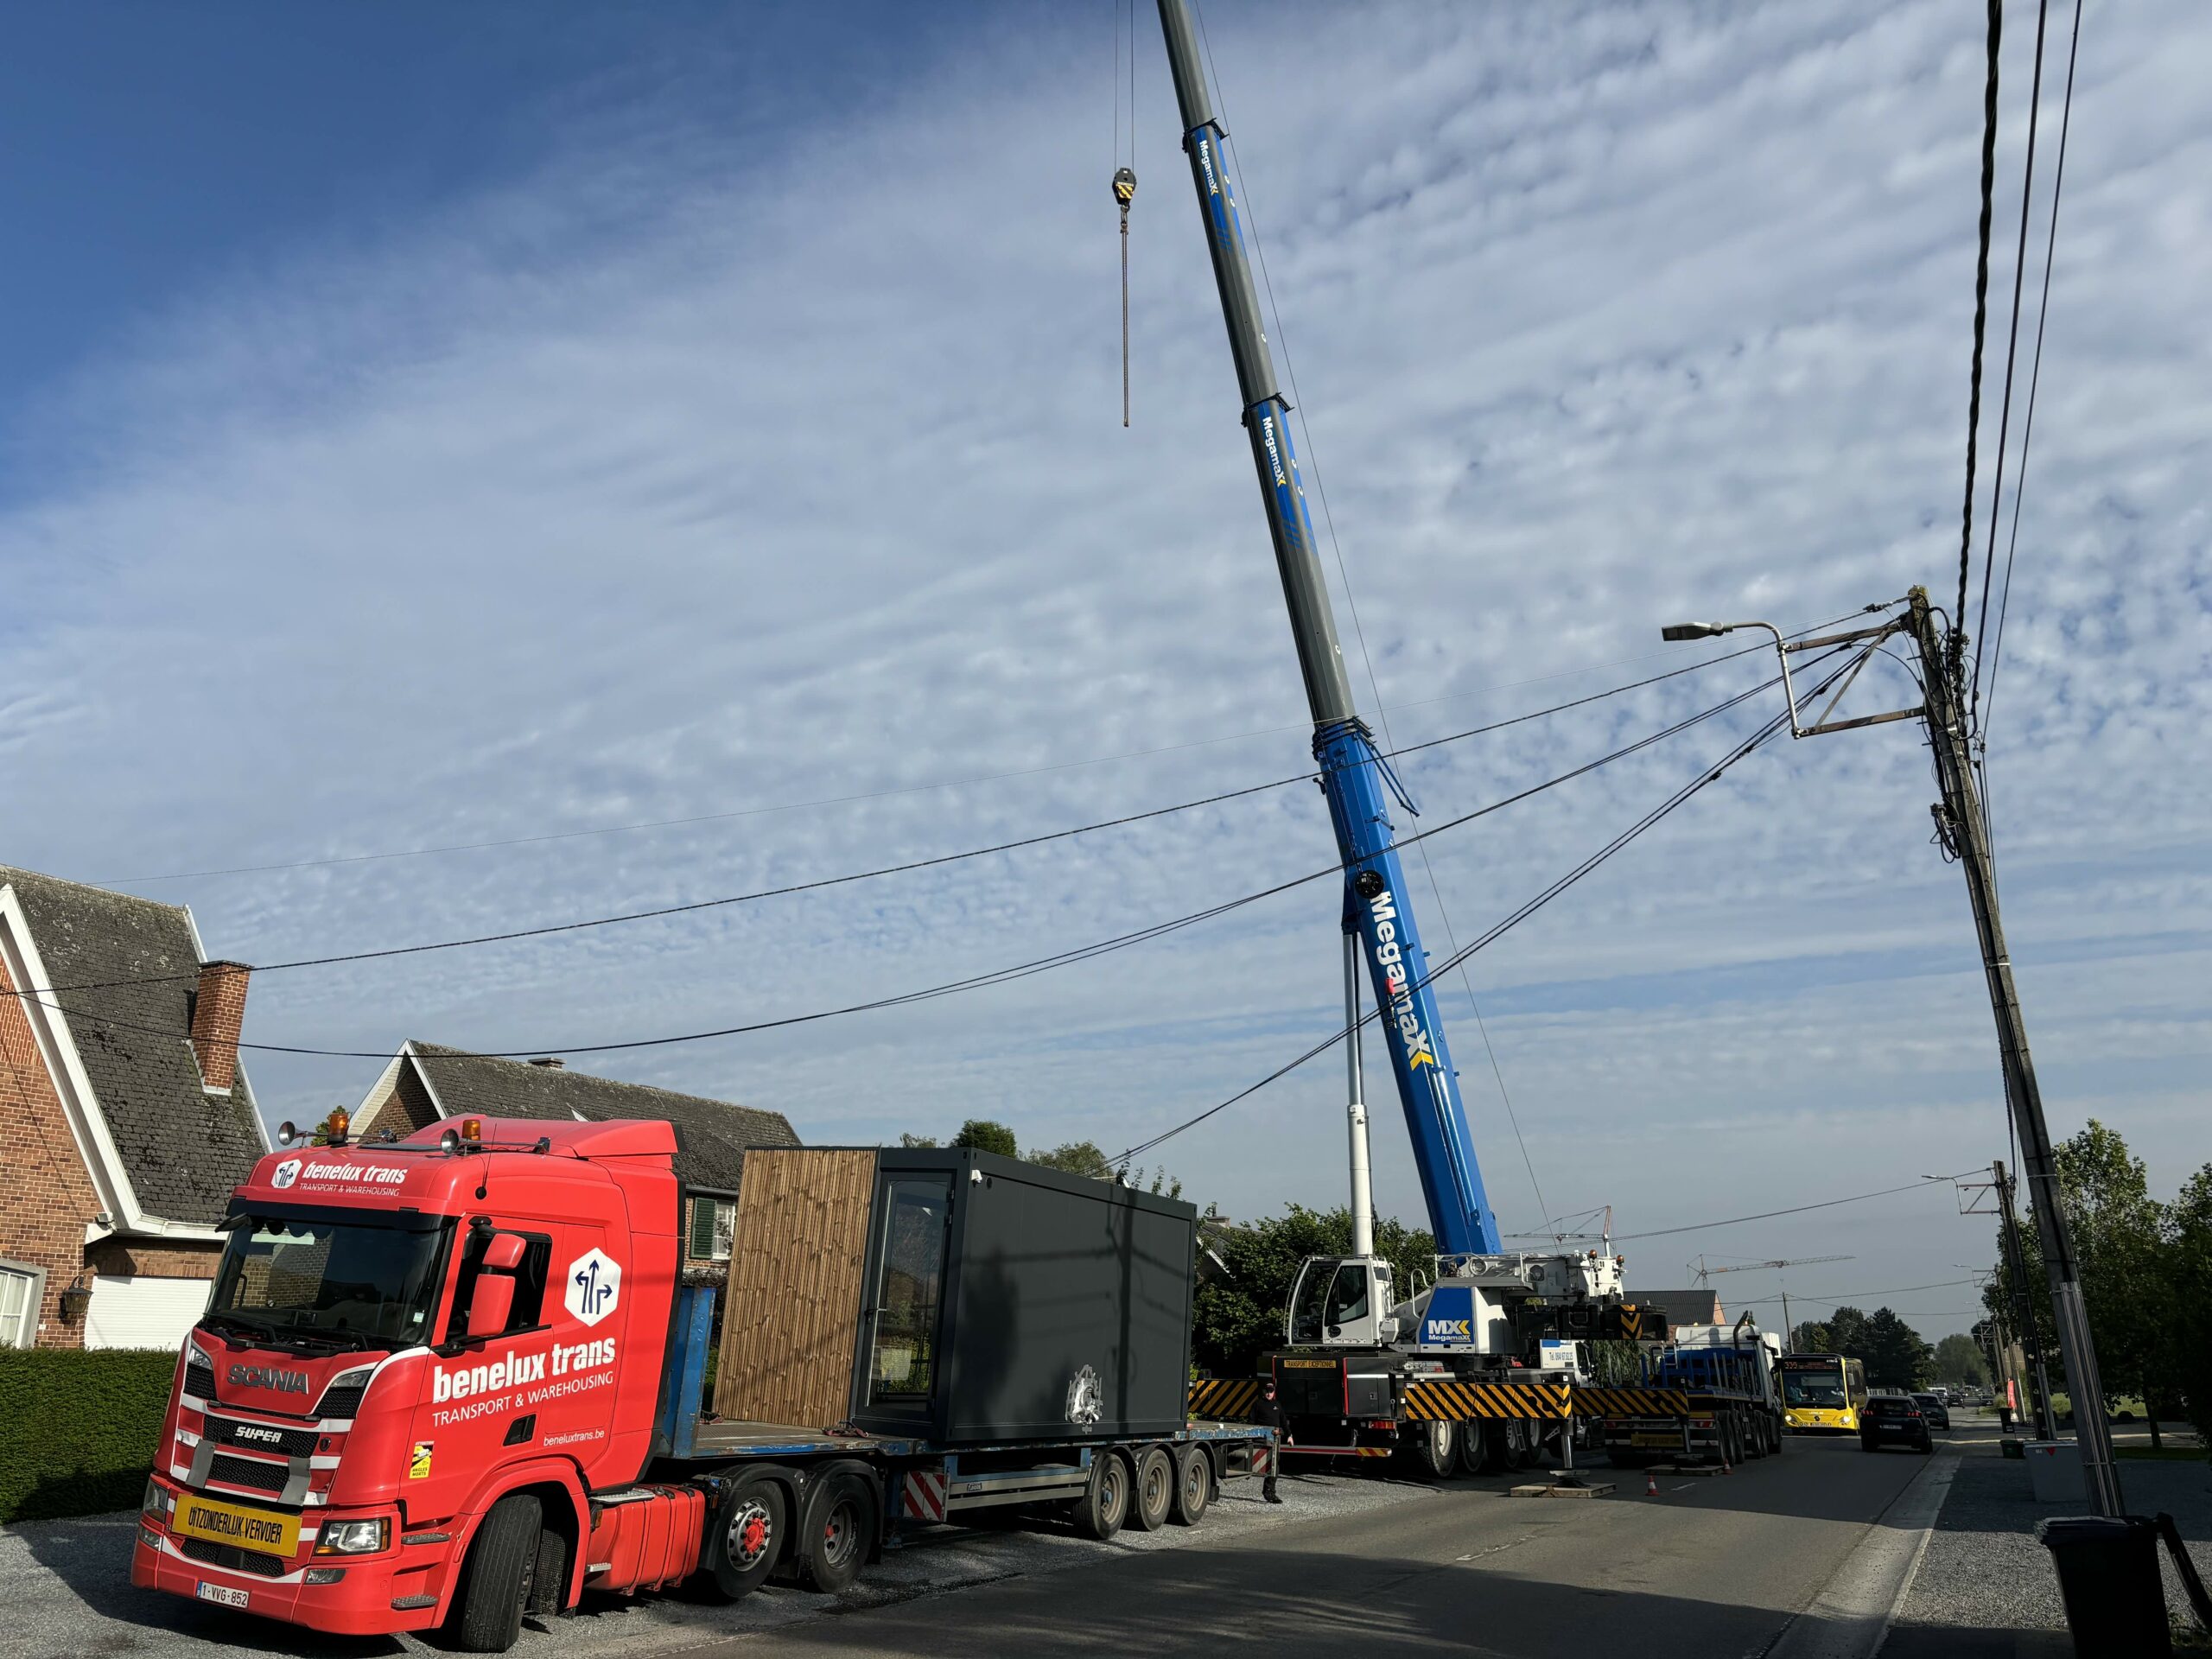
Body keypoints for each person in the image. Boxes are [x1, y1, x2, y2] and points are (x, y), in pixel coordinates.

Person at [1254, 1379, 1287, 1503]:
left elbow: (1283, 1421)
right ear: (1264, 1392)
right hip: (1262, 1440)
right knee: (1266, 1465)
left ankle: (1270, 1492)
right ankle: (1268, 1492)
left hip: (1275, 1440)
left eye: (1271, 1392)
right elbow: (1252, 1421)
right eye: (1267, 1391)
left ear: (1274, 1392)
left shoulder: (1277, 1405)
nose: (1269, 1394)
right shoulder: (1257, 1404)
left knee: (1275, 1467)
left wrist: (1289, 1435)